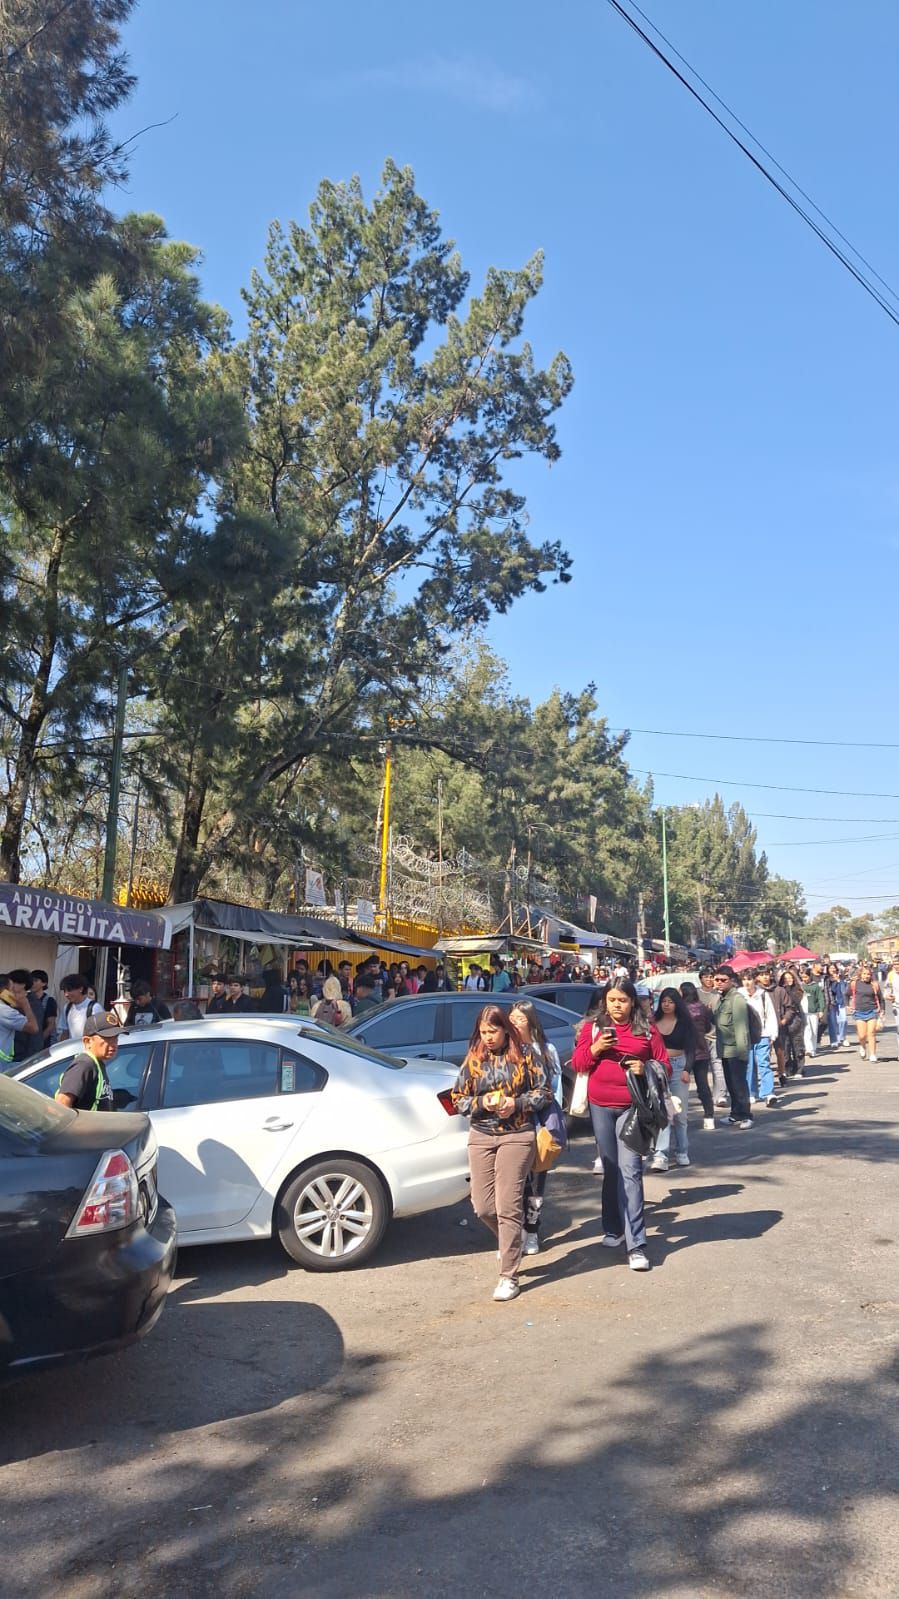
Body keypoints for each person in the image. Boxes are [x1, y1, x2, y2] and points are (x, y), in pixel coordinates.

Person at [451, 1004, 551, 1302]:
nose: (488, 1037)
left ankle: (509, 1275)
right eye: (483, 1032)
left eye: (493, 1031)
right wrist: (483, 1103)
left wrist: (516, 1104)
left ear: (506, 1029)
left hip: (517, 1135)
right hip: (481, 1134)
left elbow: (544, 1093)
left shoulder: (527, 1055)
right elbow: (457, 1099)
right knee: (483, 1207)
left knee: (508, 1205)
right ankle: (513, 1238)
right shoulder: (474, 1058)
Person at [572, 978, 671, 1271]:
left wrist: (645, 1067)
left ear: (632, 1002)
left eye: (623, 1000)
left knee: (631, 1172)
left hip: (633, 1107)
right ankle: (612, 1228)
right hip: (599, 1105)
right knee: (611, 1168)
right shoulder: (592, 1028)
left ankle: (637, 1244)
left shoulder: (647, 1029)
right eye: (612, 1000)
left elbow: (664, 1064)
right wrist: (596, 1048)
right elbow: (578, 1064)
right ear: (605, 1001)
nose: (617, 1006)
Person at [509, 998, 562, 1257]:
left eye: (520, 1019)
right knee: (514, 1182)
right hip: (514, 1124)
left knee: (537, 1183)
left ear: (531, 1021)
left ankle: (532, 1230)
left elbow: (556, 1089)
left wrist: (553, 1125)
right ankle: (515, 1230)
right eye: (512, 1018)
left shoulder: (546, 1049)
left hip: (540, 1124)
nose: (515, 1023)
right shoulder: (507, 1049)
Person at [651, 987, 696, 1171]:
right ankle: (660, 1155)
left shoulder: (685, 1023)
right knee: (661, 1112)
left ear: (677, 1003)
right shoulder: (653, 1022)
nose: (667, 1004)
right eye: (664, 1001)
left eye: (670, 1001)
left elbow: (692, 1048)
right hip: (658, 1067)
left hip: (678, 1067)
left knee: (679, 1112)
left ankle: (682, 1151)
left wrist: (687, 1070)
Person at [711, 967, 753, 1127]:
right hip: (724, 1049)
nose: (719, 983)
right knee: (731, 1084)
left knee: (739, 1084)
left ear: (731, 980)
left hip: (736, 1050)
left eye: (723, 980)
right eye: (717, 980)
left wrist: (743, 1054)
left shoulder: (737, 999)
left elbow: (741, 1028)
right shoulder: (721, 999)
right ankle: (735, 1114)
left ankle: (746, 1115)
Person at [55, 1009, 120, 1110]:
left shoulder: (97, 1064)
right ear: (87, 1041)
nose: (113, 1044)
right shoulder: (84, 1065)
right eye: (107, 1039)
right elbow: (61, 1104)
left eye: (115, 1038)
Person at [679, 981, 716, 1129]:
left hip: (684, 1051)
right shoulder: (702, 1008)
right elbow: (708, 1027)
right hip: (701, 1050)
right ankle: (709, 1116)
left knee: (681, 1087)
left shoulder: (680, 1010)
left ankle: (683, 1117)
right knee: (703, 1085)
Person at [743, 971, 780, 1107]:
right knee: (749, 1065)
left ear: (755, 980)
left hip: (762, 1034)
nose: (747, 983)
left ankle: (768, 1093)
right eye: (744, 980)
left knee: (764, 1063)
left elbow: (770, 1014)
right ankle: (750, 1092)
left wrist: (773, 1034)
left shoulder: (763, 995)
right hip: (745, 1036)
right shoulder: (739, 995)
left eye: (749, 979)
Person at [698, 964, 728, 1106]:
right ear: (700, 979)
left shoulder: (719, 995)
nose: (709, 980)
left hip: (715, 1036)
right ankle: (705, 1096)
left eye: (711, 977)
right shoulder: (696, 994)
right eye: (706, 977)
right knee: (701, 1069)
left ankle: (720, 1095)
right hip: (699, 1038)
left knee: (718, 1066)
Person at [12, 968, 56, 1060]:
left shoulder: (34, 1002)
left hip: (26, 1052)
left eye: (36, 980)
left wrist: (32, 1055)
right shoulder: (16, 1000)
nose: (10, 986)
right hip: (18, 1051)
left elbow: (44, 1027)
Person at [772, 968, 806, 1081]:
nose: (788, 980)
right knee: (785, 1046)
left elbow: (795, 1001)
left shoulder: (797, 990)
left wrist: (786, 989)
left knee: (797, 1044)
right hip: (782, 1019)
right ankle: (787, 1067)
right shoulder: (778, 990)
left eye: (790, 978)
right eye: (786, 979)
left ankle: (799, 1068)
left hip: (795, 1019)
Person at [0, 971, 38, 1065]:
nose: (14, 993)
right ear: (5, 991)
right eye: (12, 989)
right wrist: (25, 1005)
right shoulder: (5, 1011)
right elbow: (33, 1028)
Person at [849, 961, 885, 1062]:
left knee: (871, 1033)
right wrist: (848, 1005)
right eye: (864, 974)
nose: (866, 976)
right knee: (862, 1035)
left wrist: (882, 1011)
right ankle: (862, 1046)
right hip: (859, 1012)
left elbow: (881, 999)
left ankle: (873, 1054)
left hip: (872, 1011)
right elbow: (846, 995)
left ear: (871, 975)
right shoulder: (854, 984)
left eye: (868, 974)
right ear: (860, 974)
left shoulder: (874, 985)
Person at [59, 973, 104, 1041]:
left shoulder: (94, 1007)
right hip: (73, 1049)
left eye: (69, 990)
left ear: (80, 989)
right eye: (64, 991)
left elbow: (101, 1034)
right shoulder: (67, 1008)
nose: (66, 994)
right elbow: (65, 1032)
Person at [802, 966, 825, 1060]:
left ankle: (813, 1049)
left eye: (806, 977)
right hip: (804, 1012)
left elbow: (820, 998)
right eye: (802, 977)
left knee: (814, 1031)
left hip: (814, 1012)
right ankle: (809, 1049)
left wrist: (821, 1010)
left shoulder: (815, 986)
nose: (804, 979)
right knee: (807, 1031)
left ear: (810, 976)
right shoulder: (800, 986)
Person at [825, 962, 848, 1048]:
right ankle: (834, 1040)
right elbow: (832, 991)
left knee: (843, 1020)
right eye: (830, 968)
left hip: (841, 1002)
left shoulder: (841, 978)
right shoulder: (827, 979)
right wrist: (834, 981)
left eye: (833, 968)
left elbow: (844, 990)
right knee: (833, 1023)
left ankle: (842, 1037)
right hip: (832, 1002)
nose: (832, 970)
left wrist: (839, 981)